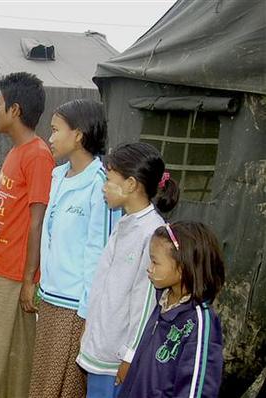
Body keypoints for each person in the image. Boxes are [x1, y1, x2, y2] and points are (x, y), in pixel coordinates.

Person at [28, 100, 120, 398]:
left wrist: (86, 316)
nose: (50, 138)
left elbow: (101, 254)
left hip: (75, 308)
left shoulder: (100, 184)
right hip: (52, 298)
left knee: (64, 387)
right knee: (43, 383)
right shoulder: (58, 176)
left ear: (78, 135)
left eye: (55, 130)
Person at [0, 72, 55, 398]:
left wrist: (28, 280)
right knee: (12, 354)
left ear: (15, 110)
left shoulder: (37, 155)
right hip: (0, 266)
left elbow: (38, 221)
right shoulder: (16, 152)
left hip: (13, 272)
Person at [77, 142, 180, 397]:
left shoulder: (150, 234)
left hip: (117, 356)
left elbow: (144, 302)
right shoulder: (125, 223)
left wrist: (130, 355)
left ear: (131, 184)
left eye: (109, 180)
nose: (104, 187)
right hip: (103, 344)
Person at [118, 221, 225, 397]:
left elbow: (196, 390)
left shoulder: (200, 322)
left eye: (155, 262)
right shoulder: (162, 302)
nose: (149, 268)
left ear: (182, 267)